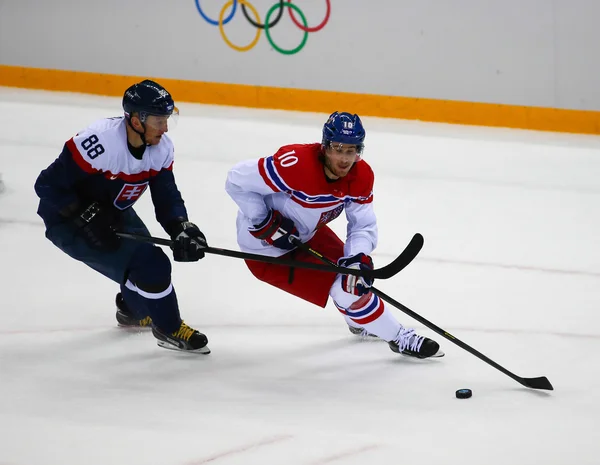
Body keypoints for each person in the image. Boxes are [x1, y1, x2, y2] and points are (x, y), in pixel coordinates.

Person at [225, 111, 443, 359]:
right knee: (347, 291)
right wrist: (262, 219)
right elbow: (236, 180)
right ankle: (398, 338)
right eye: (338, 149)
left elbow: (362, 225)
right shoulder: (295, 164)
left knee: (352, 279)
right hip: (266, 251)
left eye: (351, 151)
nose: (344, 159)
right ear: (325, 147)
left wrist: (357, 256)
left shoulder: (360, 176)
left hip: (306, 234)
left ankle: (362, 320)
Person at [34, 79, 210, 354]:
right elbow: (47, 186)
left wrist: (181, 227)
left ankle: (131, 309)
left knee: (145, 281)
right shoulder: (99, 143)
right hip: (67, 220)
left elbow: (166, 196)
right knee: (152, 265)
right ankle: (169, 328)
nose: (164, 128)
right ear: (136, 120)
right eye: (158, 120)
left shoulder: (161, 148)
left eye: (167, 120)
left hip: (112, 212)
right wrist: (86, 216)